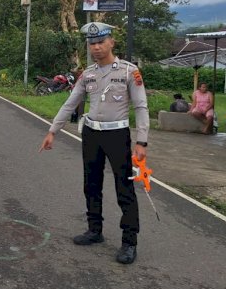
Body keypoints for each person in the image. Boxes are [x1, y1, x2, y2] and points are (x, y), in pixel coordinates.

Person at [39, 22, 149, 265]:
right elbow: (70, 103)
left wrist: (142, 141)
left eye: (101, 42)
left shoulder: (130, 72)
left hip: (117, 136)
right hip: (91, 134)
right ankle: (94, 230)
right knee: (91, 184)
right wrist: (52, 130)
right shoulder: (87, 74)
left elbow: (141, 107)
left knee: (124, 189)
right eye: (92, 44)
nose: (96, 47)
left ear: (112, 42)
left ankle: (129, 242)